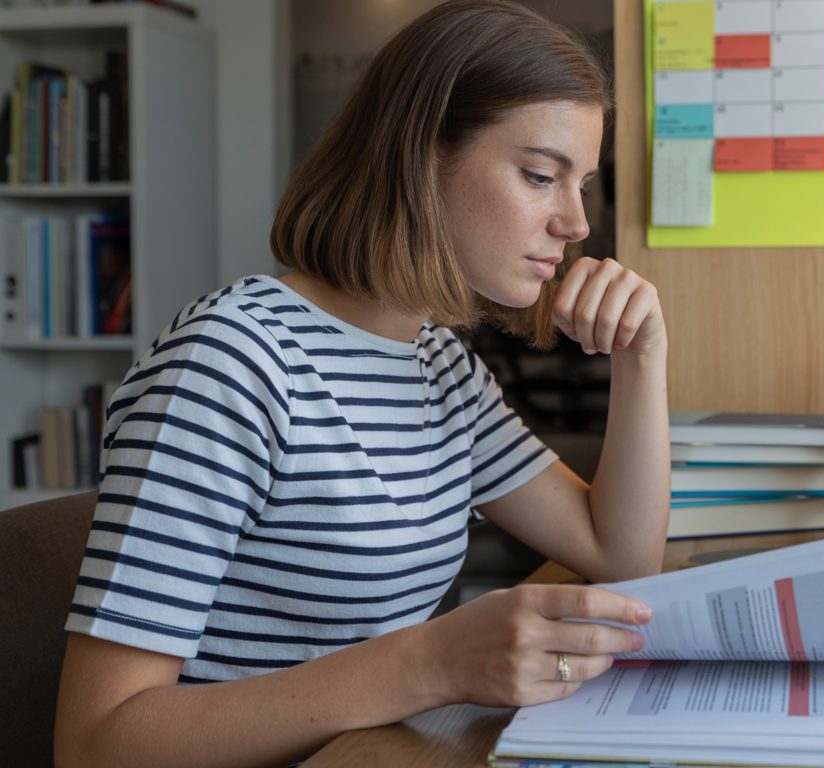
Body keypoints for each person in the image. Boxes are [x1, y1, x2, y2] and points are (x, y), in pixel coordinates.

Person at [53, 2, 669, 765]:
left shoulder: (437, 365)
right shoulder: (232, 361)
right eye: (541, 175)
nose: (575, 222)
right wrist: (428, 664)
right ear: (419, 156)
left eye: (584, 184)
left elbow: (623, 553)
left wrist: (644, 359)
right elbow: (93, 744)